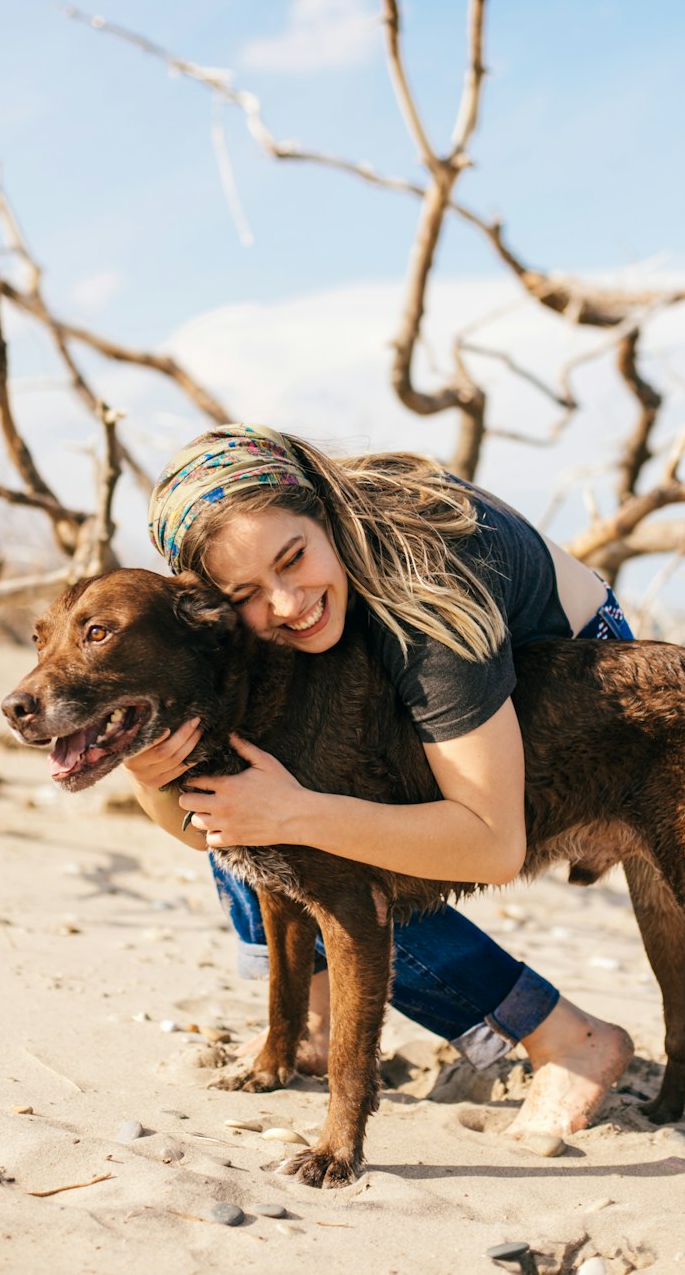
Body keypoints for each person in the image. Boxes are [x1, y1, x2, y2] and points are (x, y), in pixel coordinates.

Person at [128, 422, 635, 1140]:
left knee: (345, 846)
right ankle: (310, 1017)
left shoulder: (429, 589)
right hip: (430, 660)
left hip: (583, 690)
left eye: (293, 557)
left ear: (323, 512)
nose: (285, 602)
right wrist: (154, 774)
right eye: (245, 590)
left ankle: (565, 1036)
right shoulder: (297, 602)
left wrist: (299, 814)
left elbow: (490, 844)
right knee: (256, 783)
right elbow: (205, 831)